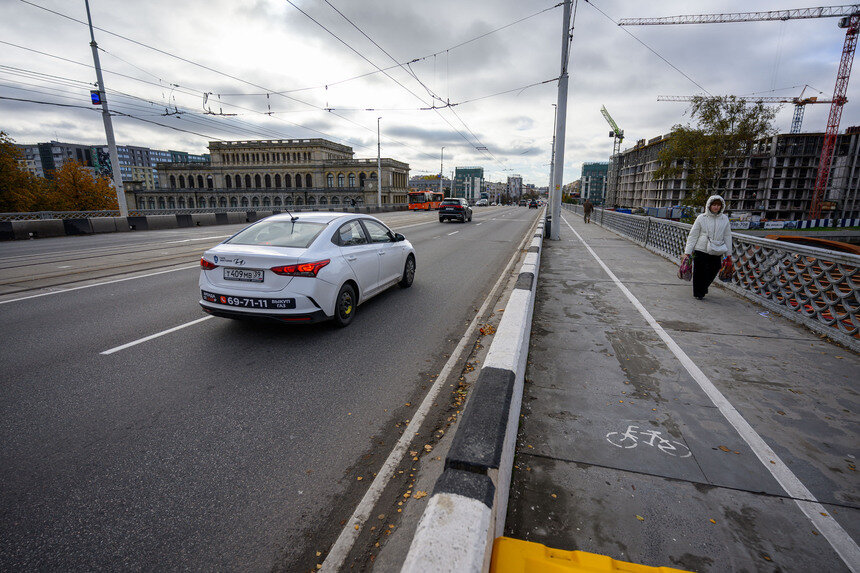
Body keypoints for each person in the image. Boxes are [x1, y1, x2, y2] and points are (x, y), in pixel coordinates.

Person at [682, 194, 732, 300]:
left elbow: (727, 236)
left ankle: (703, 287)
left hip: (717, 249)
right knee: (699, 272)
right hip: (701, 249)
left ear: (721, 206)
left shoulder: (724, 219)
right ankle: (698, 293)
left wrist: (729, 254)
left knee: (714, 269)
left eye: (718, 205)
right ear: (709, 205)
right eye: (714, 205)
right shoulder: (701, 218)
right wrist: (688, 251)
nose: (716, 207)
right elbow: (693, 235)